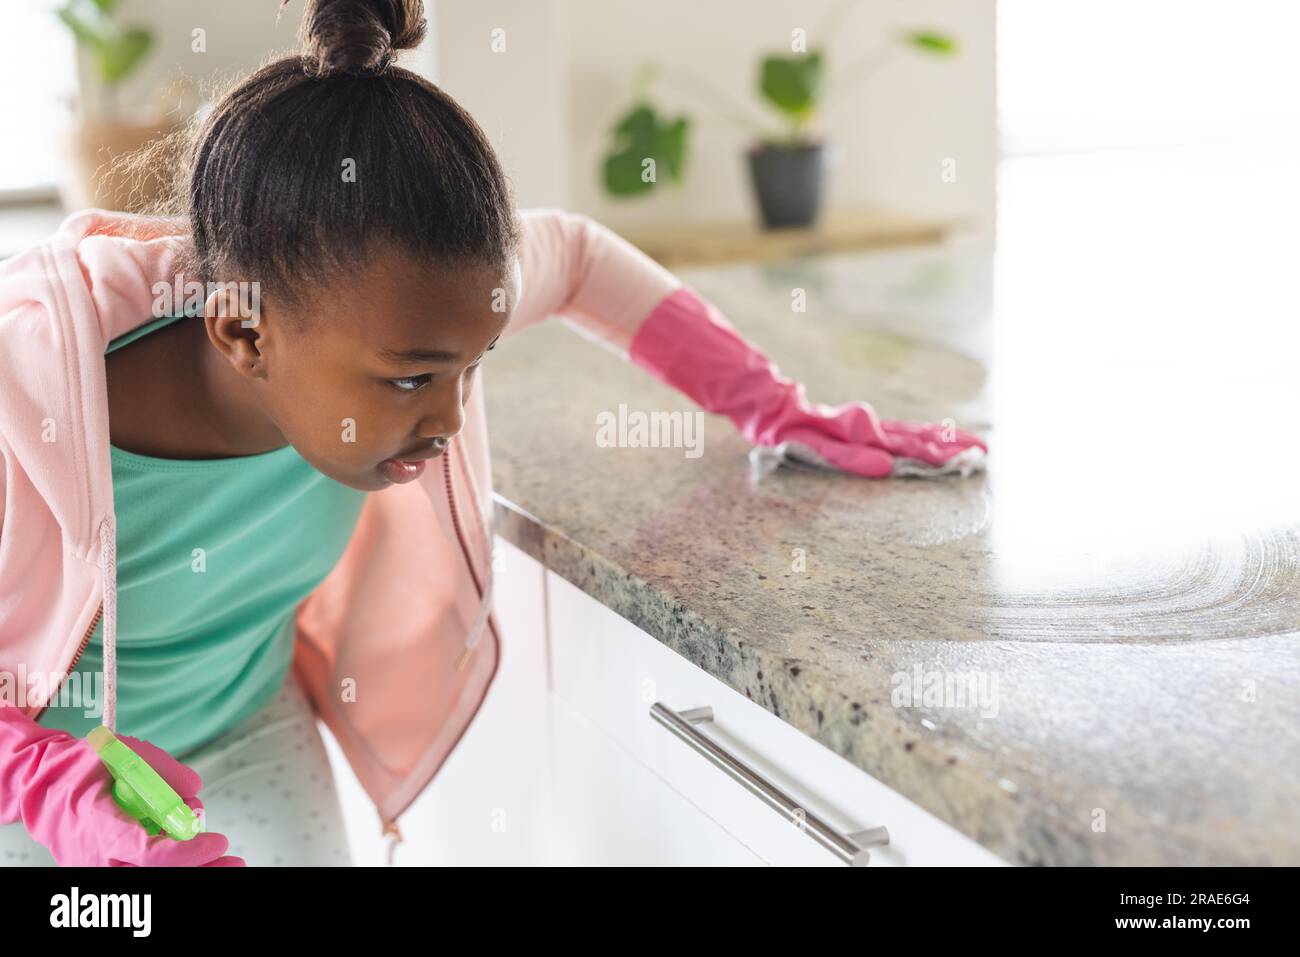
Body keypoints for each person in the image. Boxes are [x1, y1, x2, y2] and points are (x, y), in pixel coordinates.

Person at [0, 0, 986, 867]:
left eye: (473, 365)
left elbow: (580, 253)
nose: (447, 421)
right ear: (244, 332)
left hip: (242, 728)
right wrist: (52, 791)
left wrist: (774, 405)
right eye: (412, 380)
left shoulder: (386, 307)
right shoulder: (24, 393)